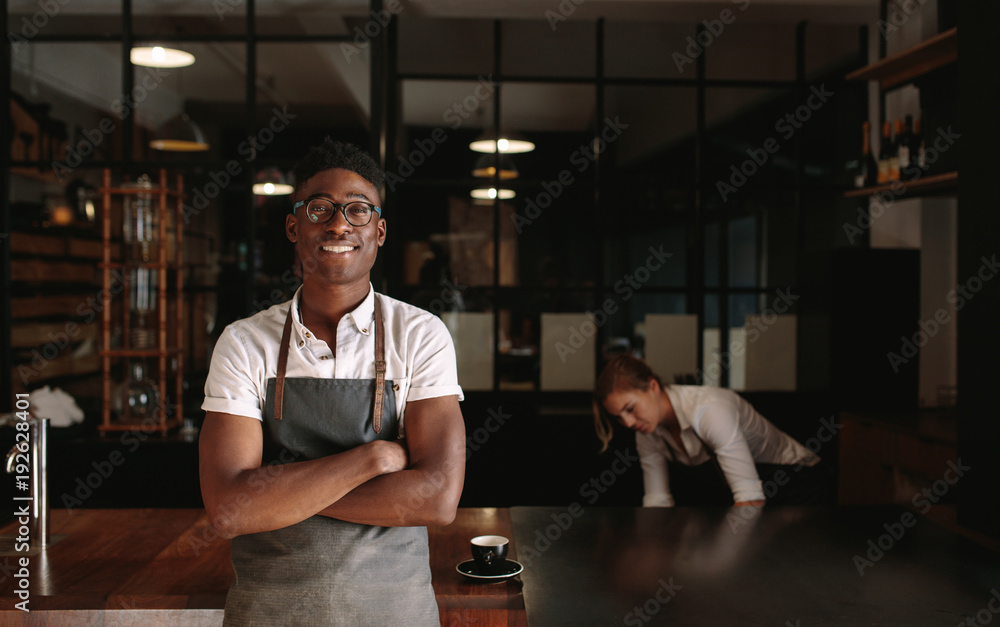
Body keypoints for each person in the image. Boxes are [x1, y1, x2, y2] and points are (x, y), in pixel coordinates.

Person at [199, 138, 466, 626]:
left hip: (393, 613)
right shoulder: (243, 343)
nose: (340, 223)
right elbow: (230, 511)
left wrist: (282, 498)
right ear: (293, 225)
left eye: (358, 210)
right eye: (319, 208)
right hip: (270, 613)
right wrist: (375, 458)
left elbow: (437, 498)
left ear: (379, 231)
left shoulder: (421, 335)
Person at [593, 355, 828, 507]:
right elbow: (658, 501)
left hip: (796, 484)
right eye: (618, 417)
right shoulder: (648, 432)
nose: (628, 422)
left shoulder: (709, 411)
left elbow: (750, 500)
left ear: (653, 386)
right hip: (747, 496)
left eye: (631, 409)